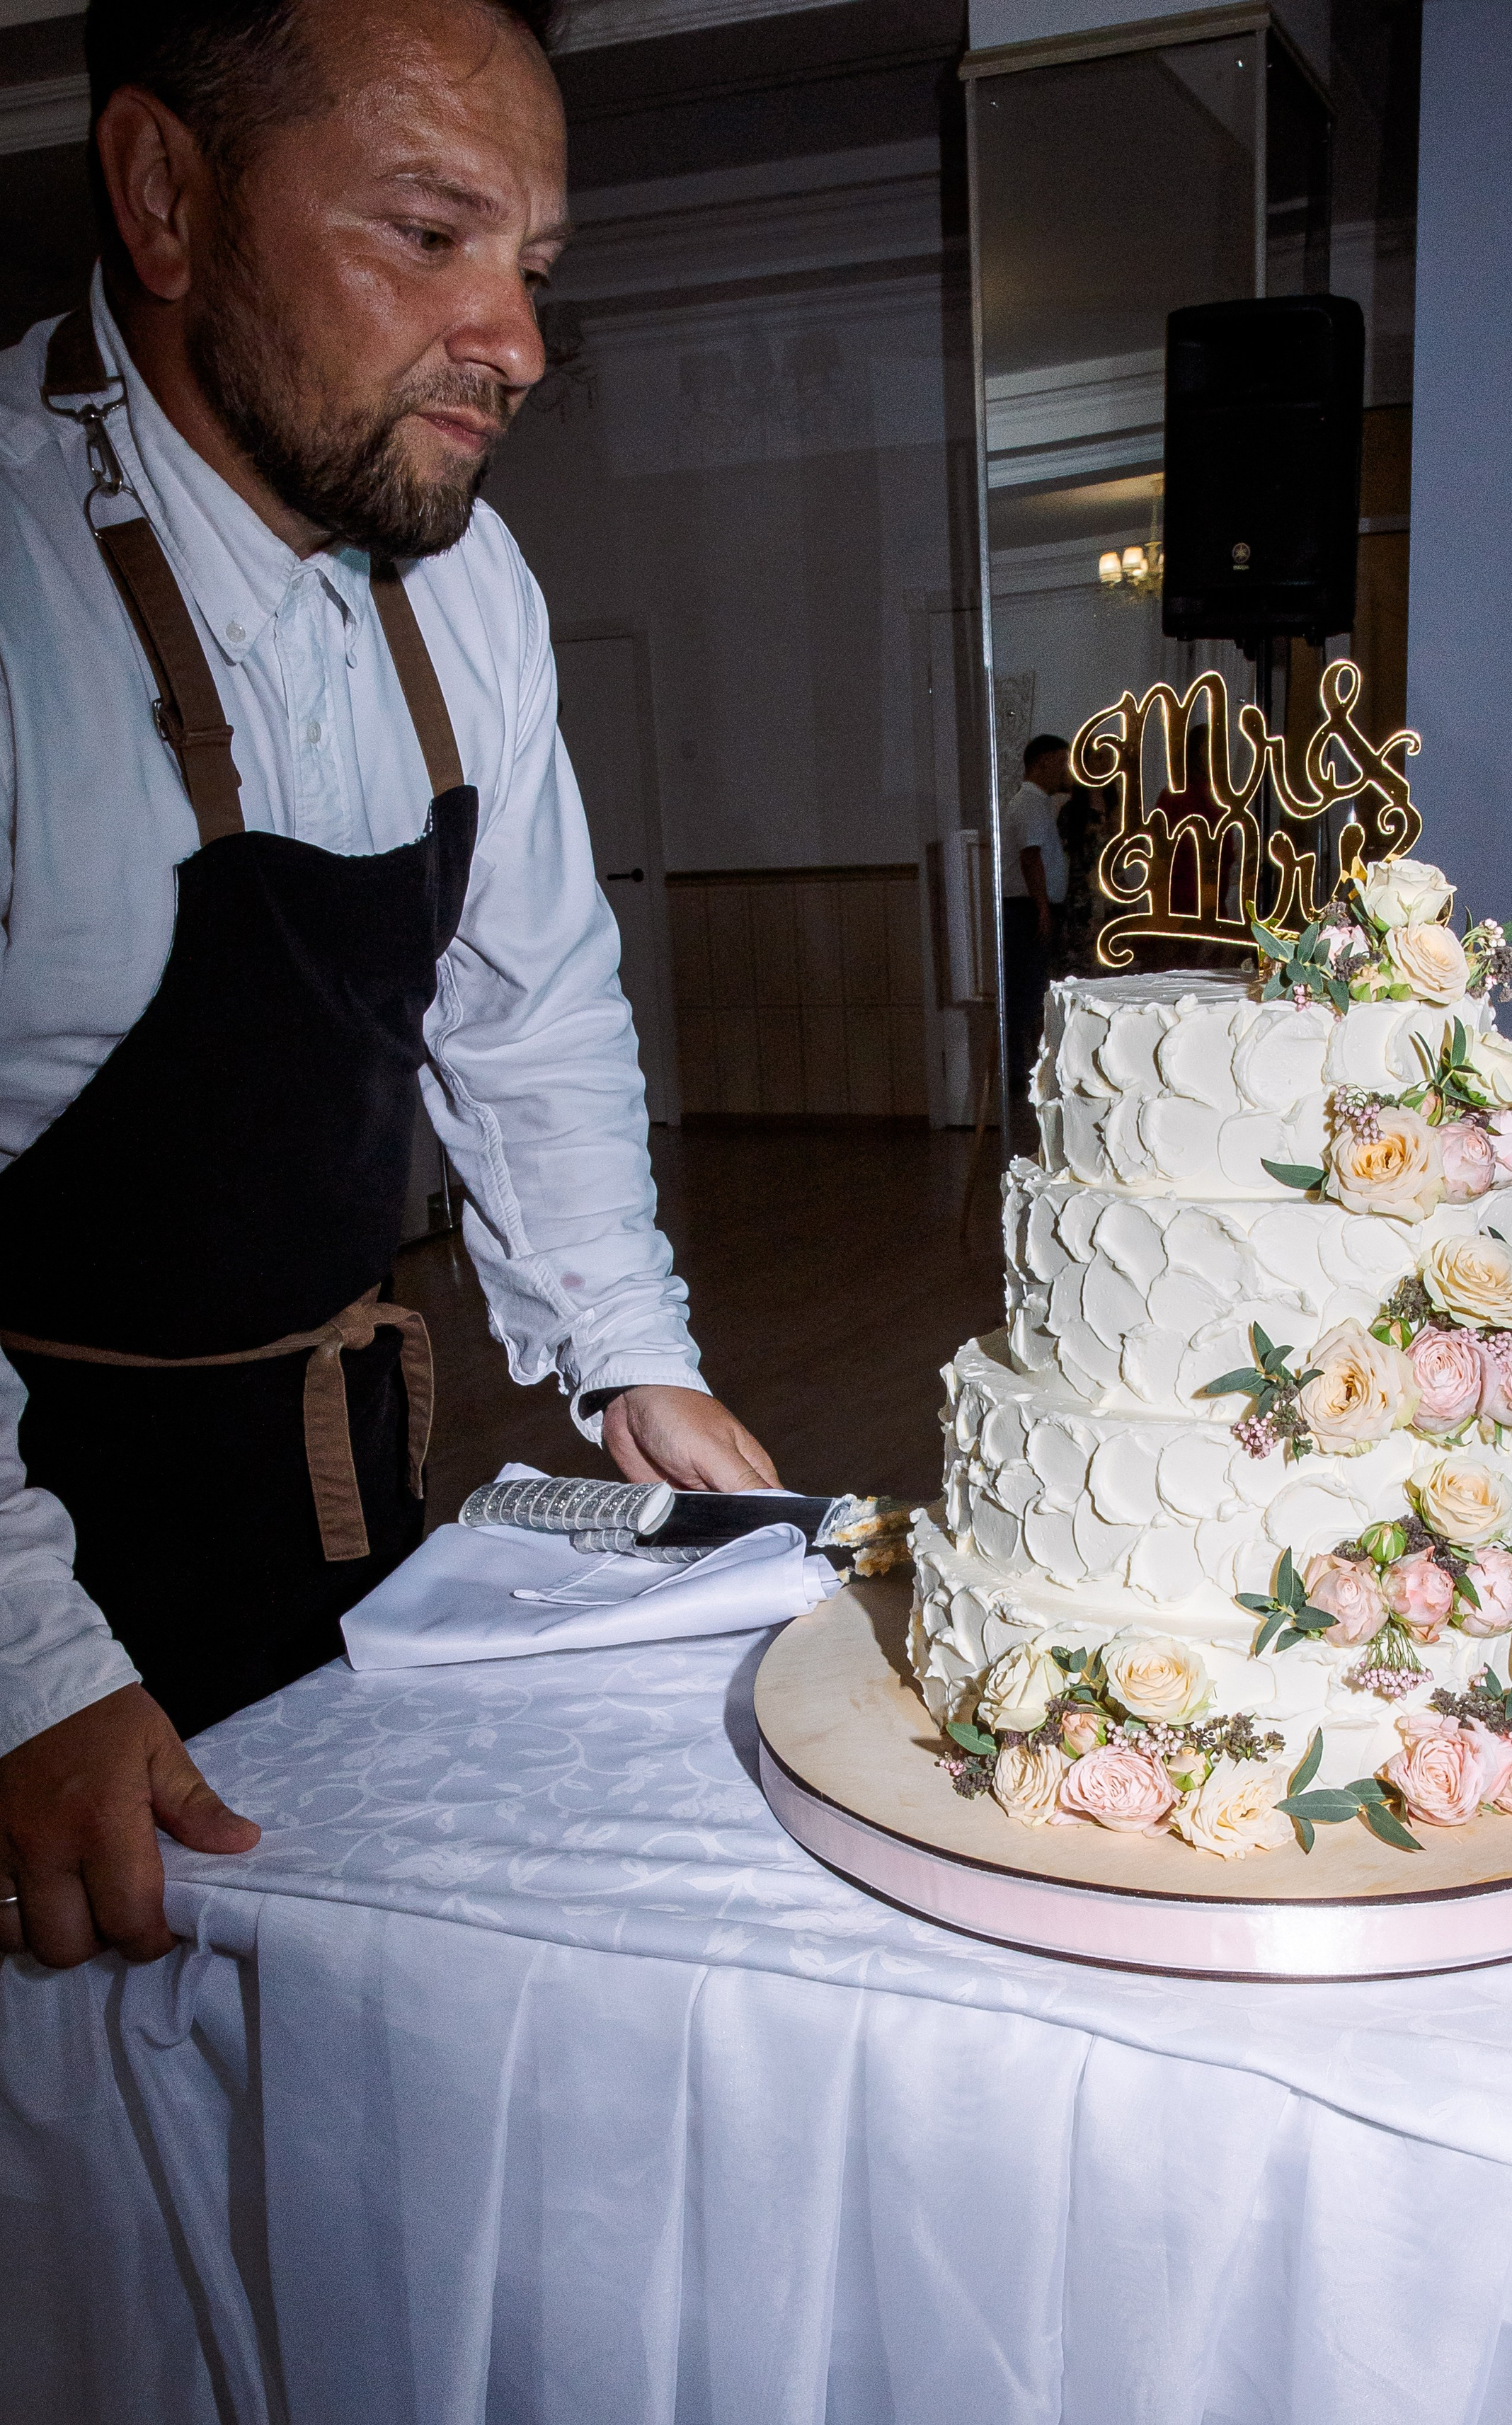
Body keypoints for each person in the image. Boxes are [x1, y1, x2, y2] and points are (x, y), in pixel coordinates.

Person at [0, 0, 780, 1973]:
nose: (514, 343)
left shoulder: (473, 584)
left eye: (529, 266)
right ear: (168, 197)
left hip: (330, 1477)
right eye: (429, 237)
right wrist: (19, 1664)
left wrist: (630, 1346)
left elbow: (529, 1010)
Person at [1000, 733, 1070, 1096]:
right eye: (1060, 763)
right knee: (1026, 991)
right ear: (1042, 762)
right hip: (1027, 908)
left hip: (1033, 906)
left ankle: (1023, 1067)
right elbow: (1031, 858)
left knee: (1031, 988)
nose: (1064, 771)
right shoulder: (1029, 804)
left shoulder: (1040, 803)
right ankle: (1020, 1072)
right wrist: (1042, 907)